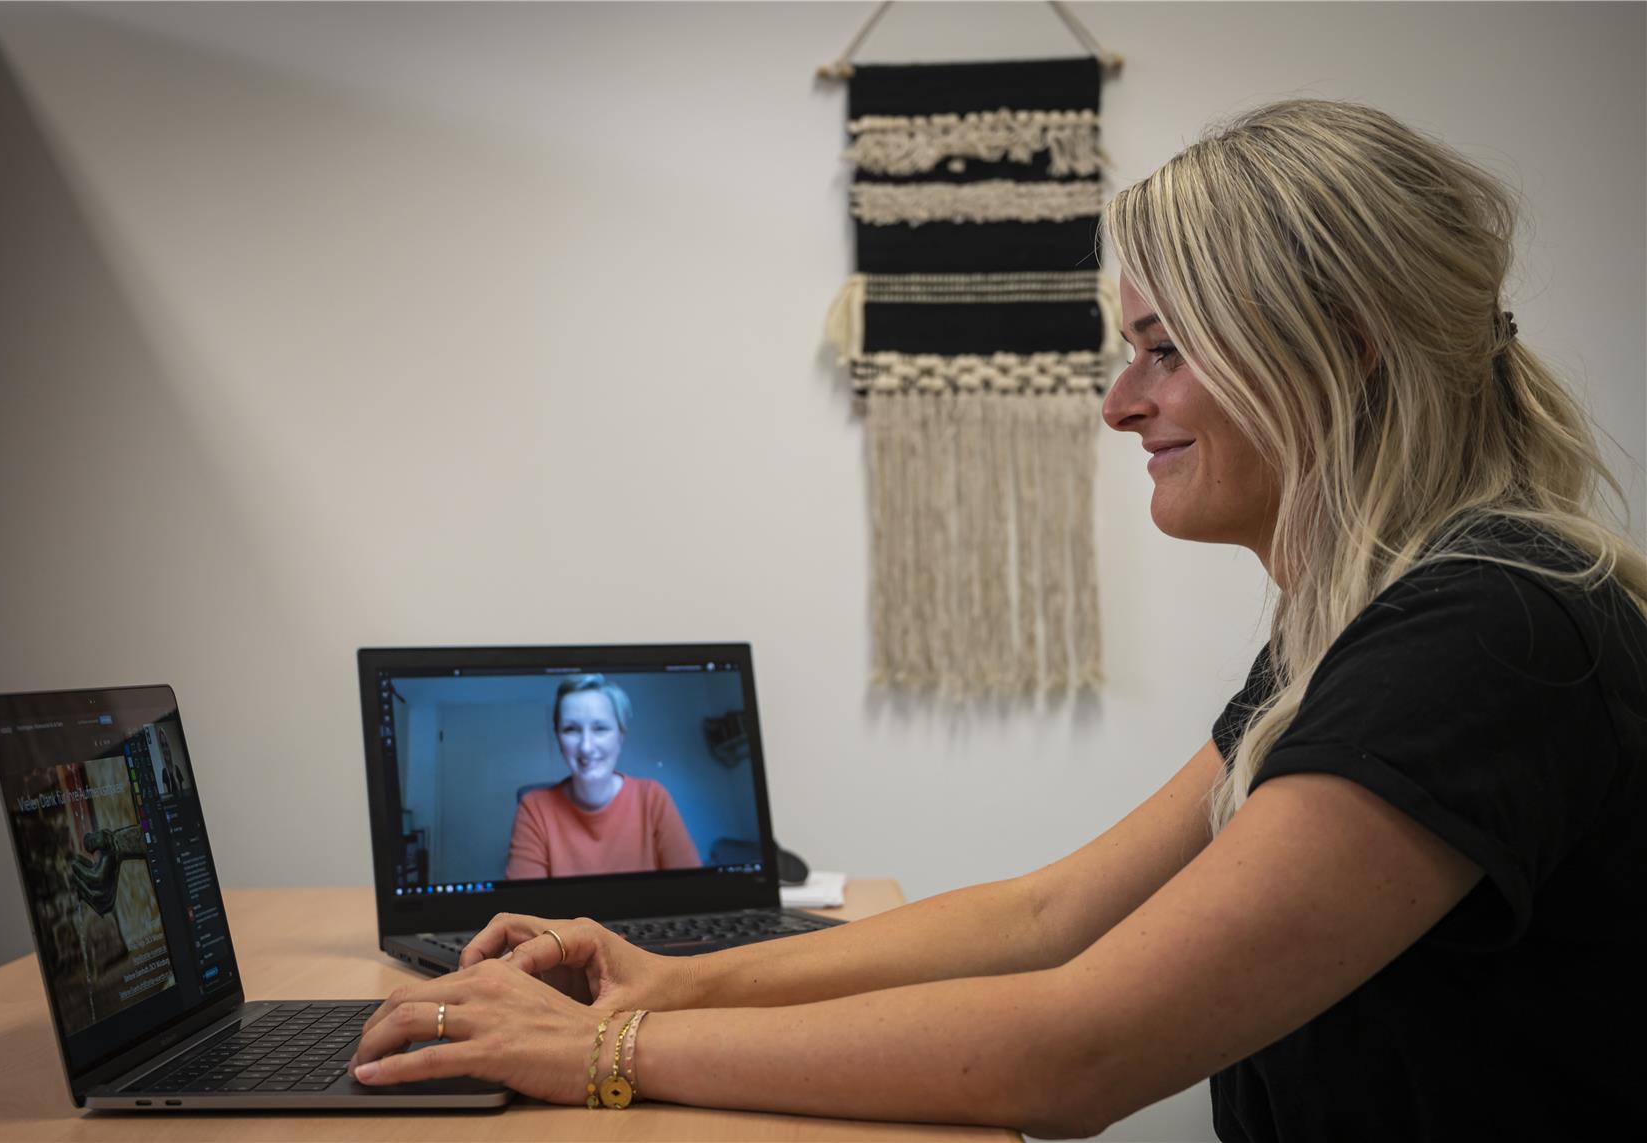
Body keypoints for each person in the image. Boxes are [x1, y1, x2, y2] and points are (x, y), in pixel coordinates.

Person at [347, 100, 1646, 1139]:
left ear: (1346, 348)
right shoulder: (1379, 619)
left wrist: (601, 1052)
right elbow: (1051, 914)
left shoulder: (1489, 631)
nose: (1119, 405)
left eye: (1166, 349)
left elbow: (1075, 1049)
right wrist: (659, 975)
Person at [503, 675, 701, 880]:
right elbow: (525, 908)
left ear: (620, 736)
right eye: (571, 729)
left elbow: (693, 890)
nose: (586, 747)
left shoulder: (652, 798)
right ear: (559, 739)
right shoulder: (534, 808)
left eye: (600, 728)